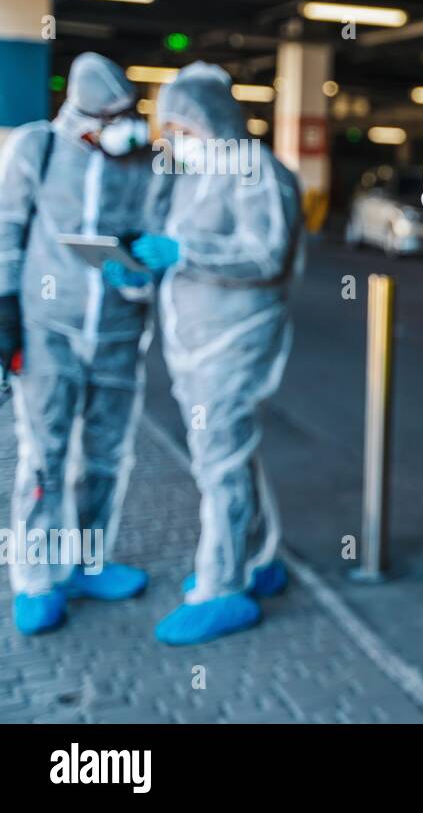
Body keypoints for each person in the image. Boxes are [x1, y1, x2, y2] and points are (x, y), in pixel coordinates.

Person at [130, 62, 299, 645]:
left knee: (220, 460)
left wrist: (184, 249)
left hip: (235, 342)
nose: (175, 139)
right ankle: (259, 558)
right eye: (169, 128)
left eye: (183, 127)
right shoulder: (192, 176)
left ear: (213, 120)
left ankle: (221, 586)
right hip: (194, 345)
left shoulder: (259, 173)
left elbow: (265, 255)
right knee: (232, 455)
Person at [0, 52, 161, 636]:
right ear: (81, 112)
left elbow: (160, 238)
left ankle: (86, 562)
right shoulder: (37, 148)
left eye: (128, 113)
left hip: (119, 333)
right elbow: (6, 228)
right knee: (43, 456)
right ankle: (35, 578)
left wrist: (141, 271)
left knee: (106, 457)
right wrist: (5, 313)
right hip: (49, 331)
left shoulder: (143, 164)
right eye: (109, 116)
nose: (121, 126)